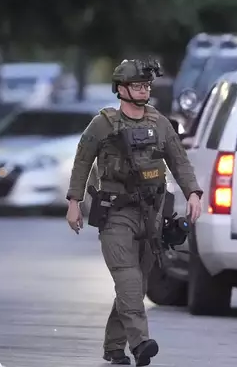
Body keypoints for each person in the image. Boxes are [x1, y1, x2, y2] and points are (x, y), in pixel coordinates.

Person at [65, 58, 203, 366]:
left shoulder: (160, 123)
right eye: (138, 86)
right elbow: (82, 161)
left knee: (138, 284)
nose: (144, 91)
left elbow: (179, 161)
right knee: (128, 279)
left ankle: (114, 346)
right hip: (116, 215)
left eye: (146, 86)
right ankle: (140, 343)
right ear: (122, 89)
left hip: (152, 214)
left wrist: (193, 193)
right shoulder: (103, 123)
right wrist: (74, 202)